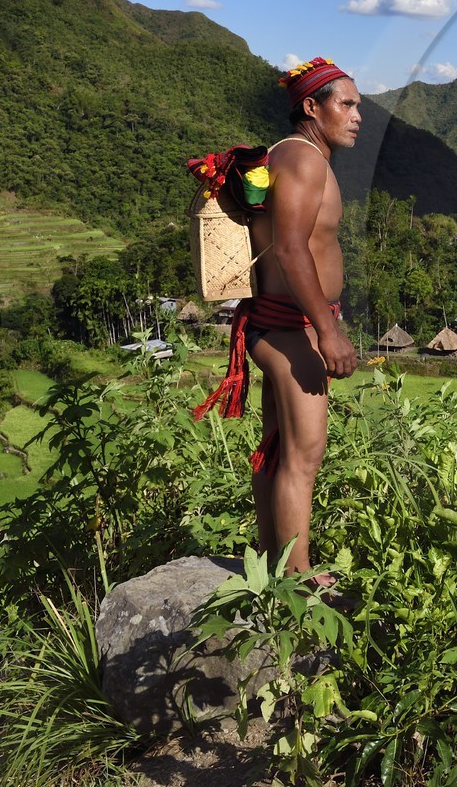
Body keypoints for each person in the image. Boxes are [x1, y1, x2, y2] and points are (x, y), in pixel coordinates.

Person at [193, 57, 361, 580]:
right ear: (312, 107)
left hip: (280, 322)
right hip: (292, 328)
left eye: (358, 106)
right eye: (347, 104)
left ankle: (271, 563)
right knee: (304, 456)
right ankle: (298, 577)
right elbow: (290, 248)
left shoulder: (289, 154)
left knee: (277, 449)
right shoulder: (306, 161)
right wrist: (328, 332)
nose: (357, 116)